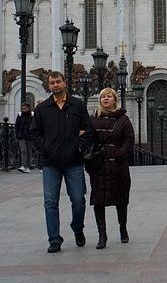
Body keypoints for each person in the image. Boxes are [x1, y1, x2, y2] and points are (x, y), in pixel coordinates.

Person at [34, 69, 91, 252]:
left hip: (73, 160)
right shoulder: (42, 109)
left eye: (58, 82)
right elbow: (34, 132)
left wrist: (79, 146)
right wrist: (45, 147)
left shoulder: (77, 105)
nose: (55, 85)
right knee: (50, 201)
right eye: (52, 83)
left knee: (78, 199)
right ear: (48, 86)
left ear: (64, 83)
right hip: (51, 162)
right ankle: (54, 239)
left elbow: (88, 130)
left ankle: (77, 228)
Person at [88, 87, 134, 248]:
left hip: (118, 165)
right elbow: (88, 139)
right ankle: (102, 235)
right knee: (98, 199)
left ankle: (123, 228)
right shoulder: (93, 119)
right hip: (99, 164)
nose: (106, 99)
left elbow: (129, 140)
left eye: (109, 96)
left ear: (115, 100)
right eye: (103, 97)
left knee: (121, 198)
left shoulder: (123, 120)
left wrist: (120, 153)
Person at [14, 101, 35, 172]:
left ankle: (28, 166)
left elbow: (34, 125)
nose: (23, 110)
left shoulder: (32, 115)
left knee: (29, 151)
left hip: (29, 135)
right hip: (21, 135)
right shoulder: (20, 115)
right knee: (23, 150)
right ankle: (23, 165)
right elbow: (16, 125)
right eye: (22, 108)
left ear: (28, 108)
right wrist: (17, 134)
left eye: (25, 108)